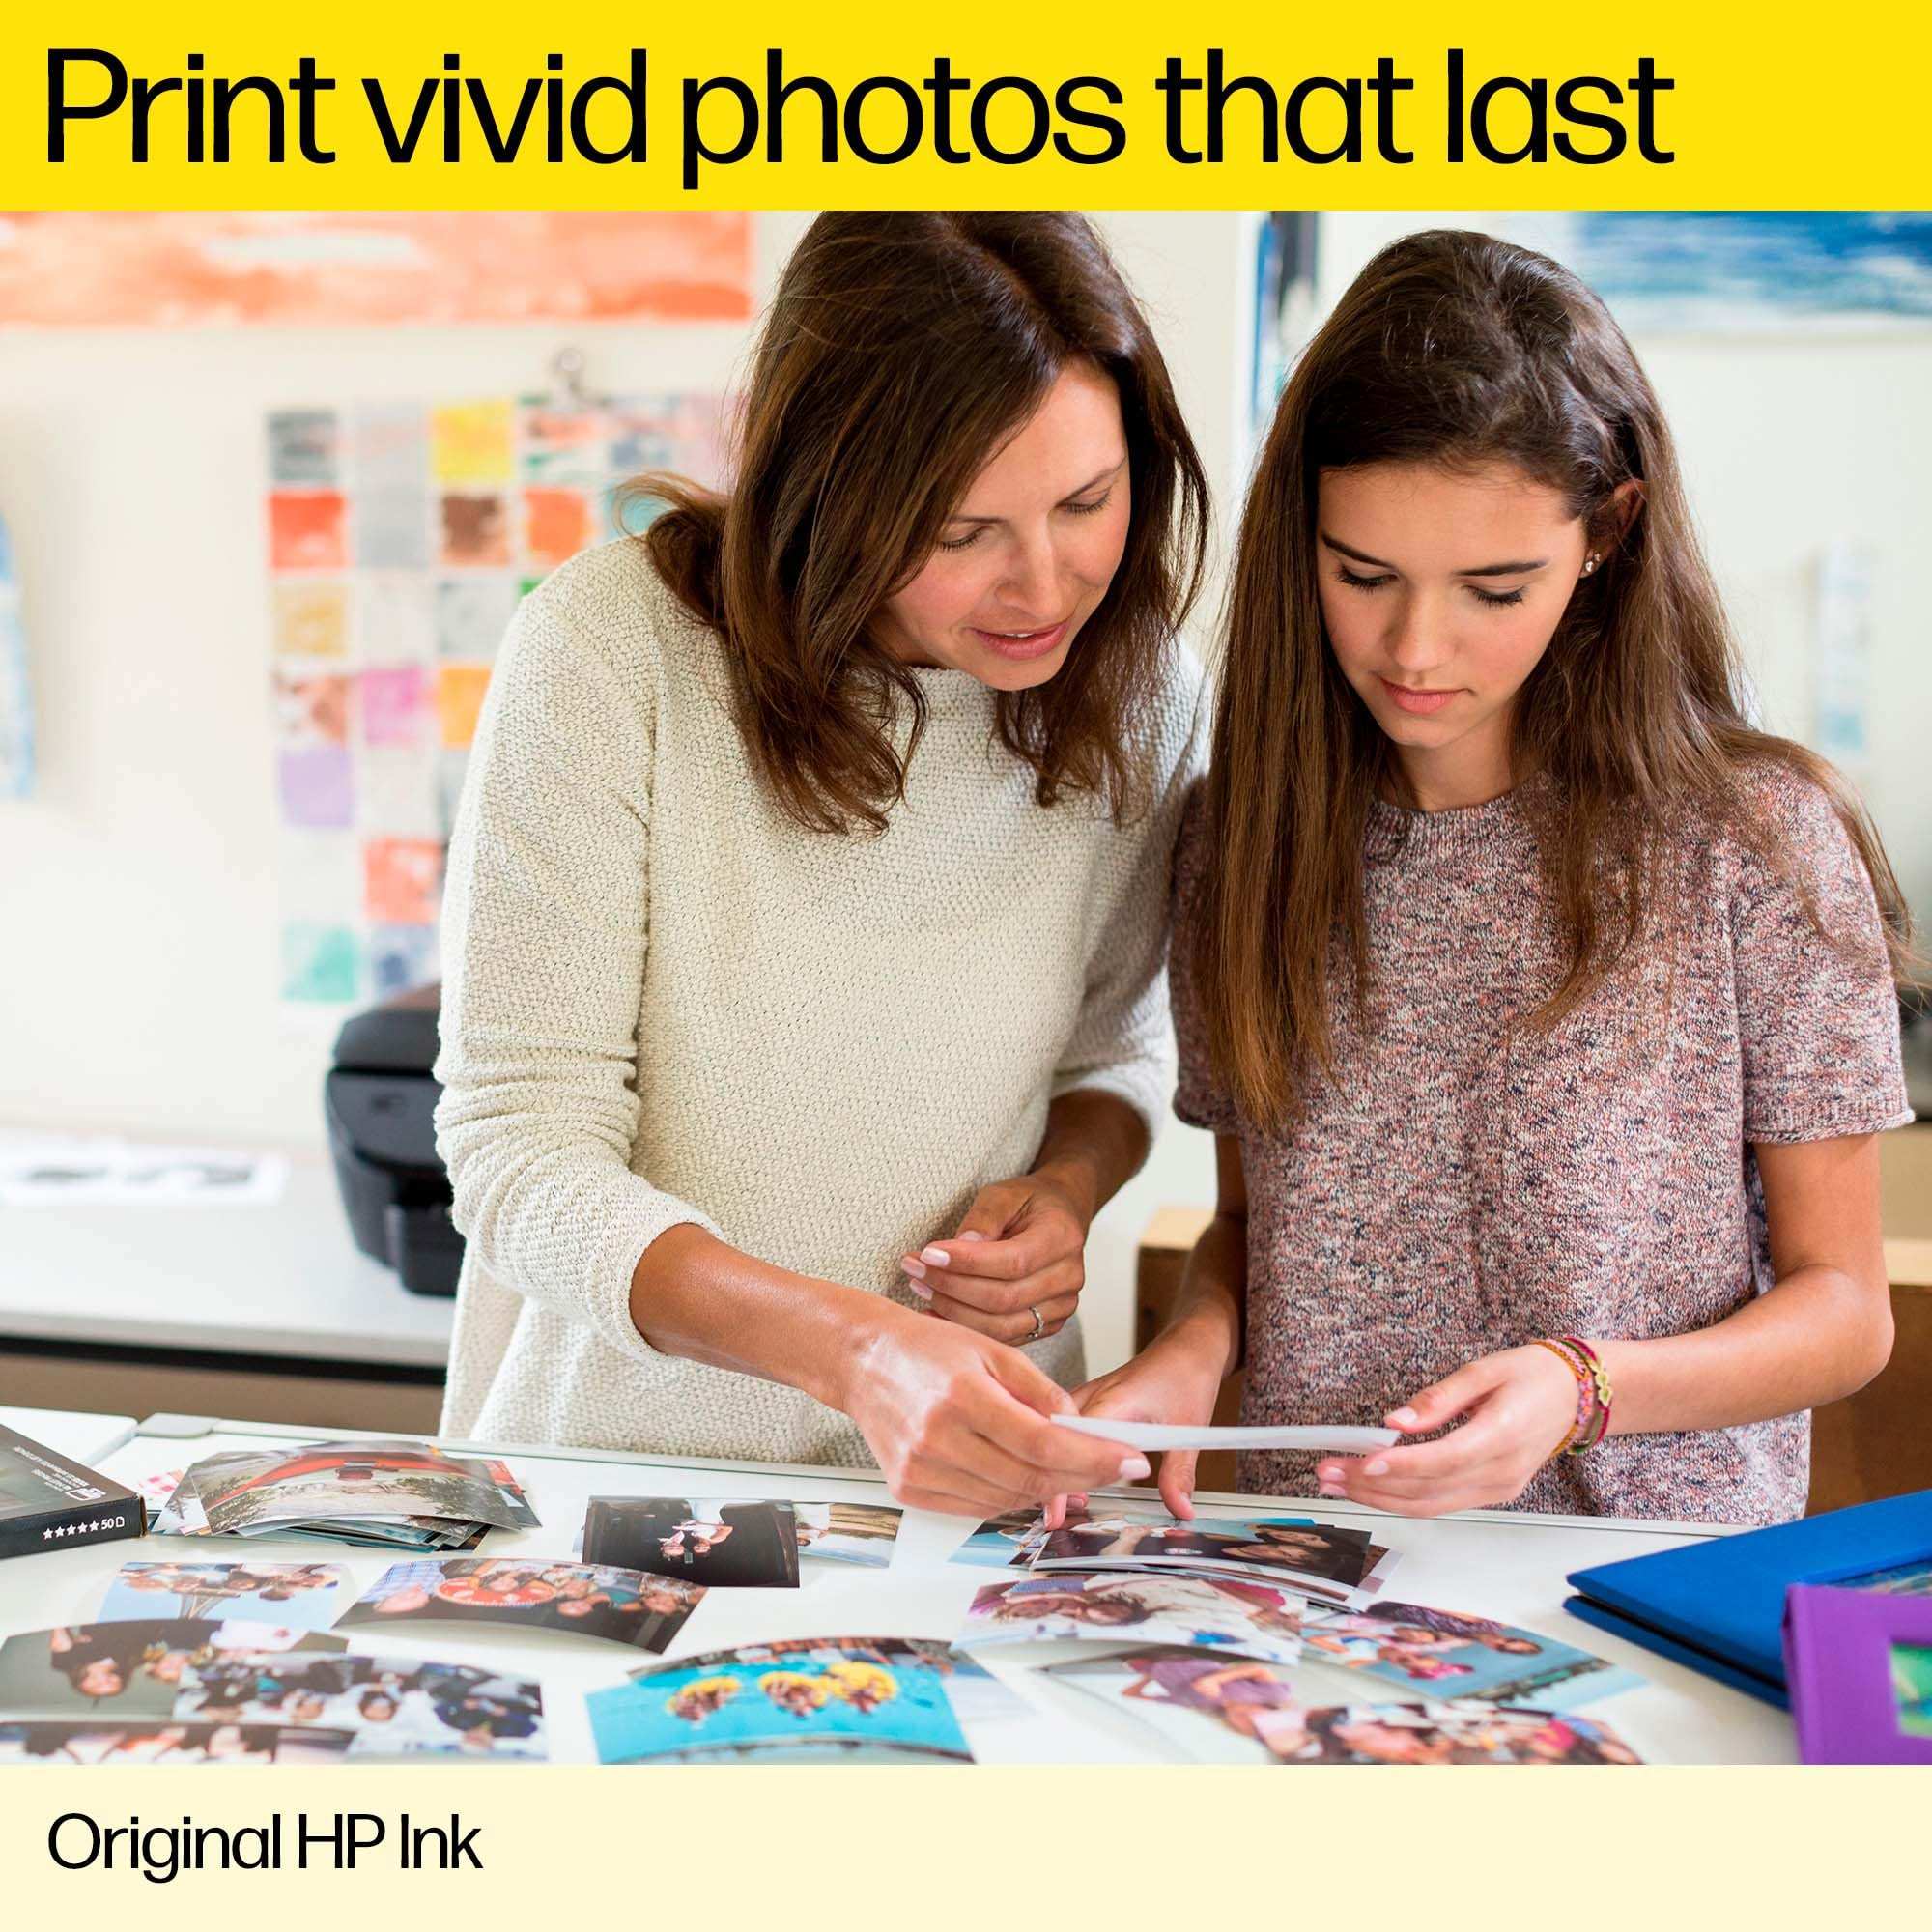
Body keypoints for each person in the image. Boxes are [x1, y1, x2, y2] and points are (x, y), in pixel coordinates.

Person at [1071, 228, 1914, 1525]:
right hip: (1328, 1579)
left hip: (1638, 1596)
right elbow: (1256, 1237)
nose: (1417, 645)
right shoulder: (1238, 843)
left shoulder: (1753, 841)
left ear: (1608, 535)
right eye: (1364, 576)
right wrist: (1191, 1354)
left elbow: (1847, 1312)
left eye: (1492, 587)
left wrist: (1580, 1388)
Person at [433, 212, 1213, 1517]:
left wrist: (1067, 1193)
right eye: (962, 531)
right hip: (615, 1489)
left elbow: (1114, 1055)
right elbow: (516, 1151)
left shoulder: (1143, 695)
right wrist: (852, 1352)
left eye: (1088, 501)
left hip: (974, 1498)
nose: (1048, 581)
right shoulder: (615, 650)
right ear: (832, 494)